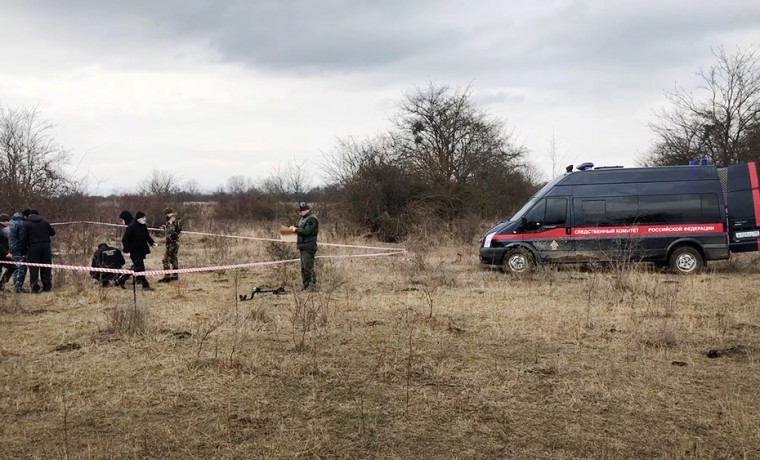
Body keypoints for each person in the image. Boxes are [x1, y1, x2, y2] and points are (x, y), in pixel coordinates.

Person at [20, 209, 56, 293]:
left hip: (33, 247)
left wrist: (23, 251)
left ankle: (34, 288)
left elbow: (23, 239)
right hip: (46, 246)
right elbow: (52, 232)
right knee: (46, 267)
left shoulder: (26, 223)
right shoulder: (45, 221)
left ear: (29, 215)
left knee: (33, 268)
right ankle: (47, 287)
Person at [120, 211, 157, 291]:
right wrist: (126, 251)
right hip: (134, 251)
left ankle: (121, 279)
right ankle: (145, 285)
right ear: (138, 218)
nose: (144, 219)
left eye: (144, 217)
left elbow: (146, 236)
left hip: (141, 250)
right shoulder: (131, 227)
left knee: (137, 267)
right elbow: (125, 240)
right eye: (142, 217)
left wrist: (152, 242)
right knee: (140, 268)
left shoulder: (143, 226)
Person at [289, 202, 319, 290]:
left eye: (301, 211)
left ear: (307, 210)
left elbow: (307, 231)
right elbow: (301, 227)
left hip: (309, 246)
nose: (299, 213)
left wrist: (296, 229)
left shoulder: (312, 219)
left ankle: (311, 286)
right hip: (302, 246)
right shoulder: (303, 219)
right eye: (299, 211)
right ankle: (305, 285)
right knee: (303, 267)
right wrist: (293, 228)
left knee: (308, 267)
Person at [158, 208, 181, 283]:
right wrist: (166, 228)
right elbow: (176, 230)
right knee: (174, 258)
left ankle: (167, 276)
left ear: (167, 214)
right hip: (176, 242)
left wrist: (165, 229)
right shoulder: (177, 219)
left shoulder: (171, 221)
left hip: (171, 243)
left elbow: (170, 232)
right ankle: (175, 275)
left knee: (166, 259)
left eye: (165, 215)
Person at [8, 211, 27, 293]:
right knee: (21, 267)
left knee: (16, 266)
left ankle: (16, 283)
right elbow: (22, 237)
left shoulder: (11, 223)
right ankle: (18, 286)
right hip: (19, 247)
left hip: (12, 247)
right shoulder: (21, 223)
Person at [0, 213, 16, 290]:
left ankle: (2, 283)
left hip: (4, 253)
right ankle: (1, 284)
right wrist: (6, 253)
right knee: (12, 266)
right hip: (3, 254)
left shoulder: (4, 229)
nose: (9, 223)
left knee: (13, 266)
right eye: (7, 221)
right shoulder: (1, 230)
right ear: (4, 221)